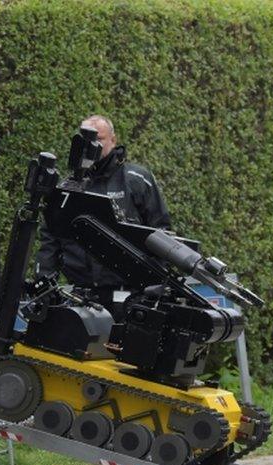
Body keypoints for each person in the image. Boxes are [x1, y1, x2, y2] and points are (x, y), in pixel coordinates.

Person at [35, 115, 171, 315]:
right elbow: (50, 239)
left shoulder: (137, 179)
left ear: (113, 140)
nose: (93, 145)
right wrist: (44, 280)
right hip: (82, 296)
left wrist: (156, 285)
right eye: (86, 140)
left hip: (129, 294)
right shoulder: (66, 188)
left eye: (99, 139)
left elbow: (162, 232)